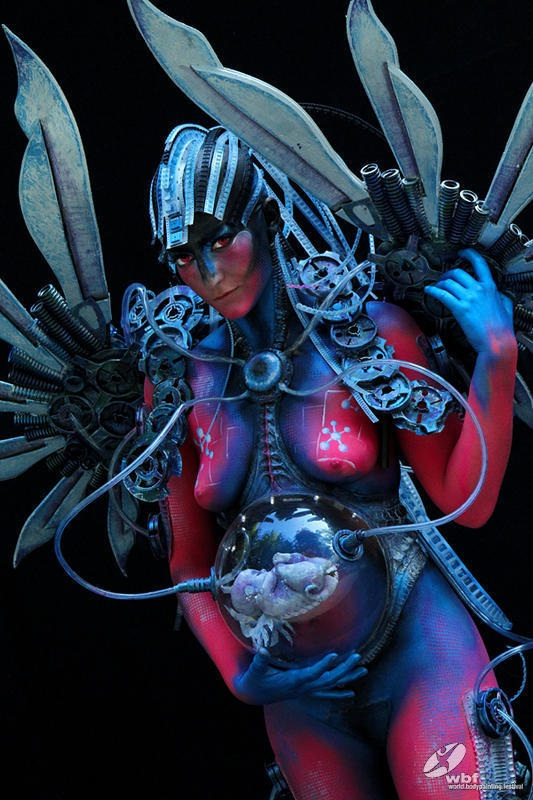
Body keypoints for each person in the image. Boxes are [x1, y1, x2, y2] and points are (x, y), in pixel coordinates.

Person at [135, 122, 520, 799]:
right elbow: (190, 562)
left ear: (265, 216)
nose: (208, 273)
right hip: (297, 685)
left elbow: (468, 502)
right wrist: (239, 675)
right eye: (184, 256)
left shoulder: (367, 332)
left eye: (220, 239)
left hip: (415, 644)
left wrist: (496, 356)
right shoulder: (177, 377)